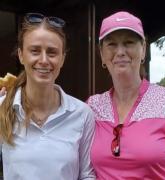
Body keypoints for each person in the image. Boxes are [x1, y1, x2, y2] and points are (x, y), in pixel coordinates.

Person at [0, 13, 95, 180]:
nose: (44, 60)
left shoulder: (82, 113)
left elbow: (87, 175)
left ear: (63, 59)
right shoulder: (2, 108)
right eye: (35, 51)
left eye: (52, 53)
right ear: (21, 55)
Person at [87, 11, 165, 179]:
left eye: (129, 42)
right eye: (111, 44)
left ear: (143, 49)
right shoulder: (91, 107)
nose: (120, 51)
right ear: (101, 53)